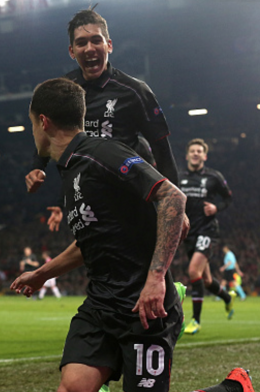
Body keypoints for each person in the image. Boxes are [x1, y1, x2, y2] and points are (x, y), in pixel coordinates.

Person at [11, 78, 260, 392]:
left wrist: (156, 278)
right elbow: (91, 240)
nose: (33, 132)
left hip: (145, 308)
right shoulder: (71, 168)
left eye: (32, 124)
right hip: (102, 305)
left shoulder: (101, 153)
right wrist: (43, 274)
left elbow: (172, 197)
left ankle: (235, 390)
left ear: (43, 122)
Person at [24, 7, 179, 233]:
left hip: (130, 199)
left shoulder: (134, 91)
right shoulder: (63, 91)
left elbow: (162, 151)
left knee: (145, 264)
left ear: (109, 45)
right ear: (71, 51)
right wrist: (37, 169)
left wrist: (174, 208)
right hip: (87, 203)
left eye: (96, 40)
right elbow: (49, 137)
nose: (89, 48)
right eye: (81, 43)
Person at [180, 138, 234, 335]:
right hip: (188, 233)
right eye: (192, 151)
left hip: (207, 231)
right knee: (207, 280)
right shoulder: (179, 177)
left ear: (204, 156)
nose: (195, 154)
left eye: (199, 151)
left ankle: (196, 320)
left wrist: (216, 207)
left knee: (193, 271)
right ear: (187, 155)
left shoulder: (214, 177)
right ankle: (228, 298)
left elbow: (228, 197)